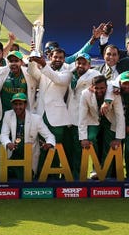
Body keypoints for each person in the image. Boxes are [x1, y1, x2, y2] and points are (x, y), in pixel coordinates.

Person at [27, 48, 73, 176]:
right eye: (55, 57)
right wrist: (33, 58)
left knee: (56, 147)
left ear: (64, 59)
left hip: (57, 117)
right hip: (41, 114)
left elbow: (57, 79)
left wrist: (43, 64)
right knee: (41, 146)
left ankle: (54, 175)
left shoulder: (67, 73)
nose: (58, 59)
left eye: (60, 57)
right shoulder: (43, 71)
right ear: (50, 57)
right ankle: (41, 174)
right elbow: (31, 71)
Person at [0, 93, 55, 179]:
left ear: (25, 105)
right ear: (12, 105)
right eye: (15, 104)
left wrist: (48, 144)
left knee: (25, 177)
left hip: (28, 158)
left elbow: (49, 135)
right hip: (12, 155)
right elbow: (3, 135)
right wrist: (8, 143)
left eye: (20, 104)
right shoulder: (8, 115)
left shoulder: (36, 119)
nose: (18, 107)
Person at [78, 75, 124, 178]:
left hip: (110, 121)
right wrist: (83, 138)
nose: (99, 91)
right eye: (96, 88)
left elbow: (120, 116)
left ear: (106, 87)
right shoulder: (85, 94)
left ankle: (105, 174)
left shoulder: (114, 94)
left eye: (102, 88)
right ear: (92, 87)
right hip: (94, 120)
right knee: (91, 138)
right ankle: (96, 168)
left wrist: (118, 138)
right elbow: (82, 117)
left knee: (109, 145)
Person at [66, 53, 102, 178]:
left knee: (91, 140)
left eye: (84, 63)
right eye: (78, 63)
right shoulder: (70, 73)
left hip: (90, 116)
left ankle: (96, 169)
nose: (80, 65)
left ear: (89, 65)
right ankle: (76, 176)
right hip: (74, 115)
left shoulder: (95, 75)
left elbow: (106, 85)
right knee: (76, 148)